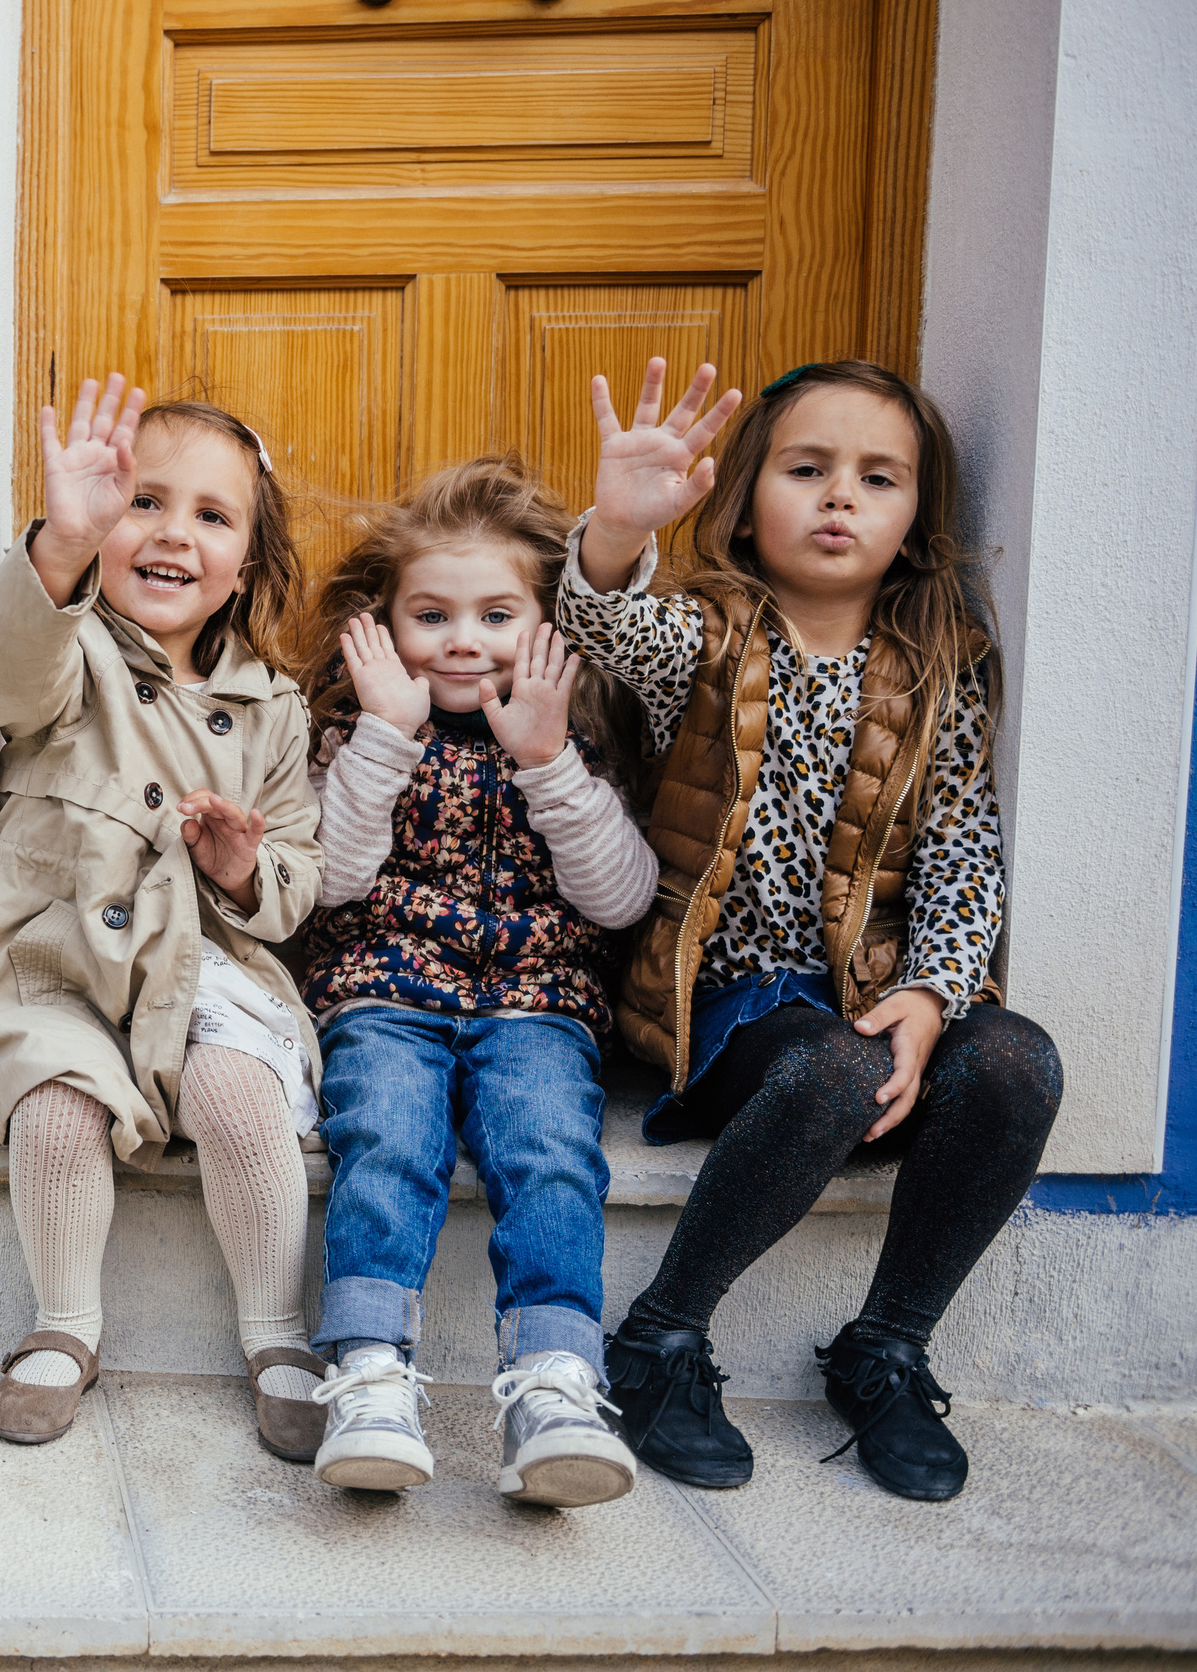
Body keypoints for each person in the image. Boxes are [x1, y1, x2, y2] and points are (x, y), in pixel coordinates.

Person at [563, 358, 1062, 1503]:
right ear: (743, 503)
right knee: (829, 1066)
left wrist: (935, 994)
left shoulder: (941, 666)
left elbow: (960, 849)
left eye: (875, 478)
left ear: (913, 519)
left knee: (1018, 1060)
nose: (840, 497)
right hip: (726, 998)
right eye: (807, 469)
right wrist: (614, 530)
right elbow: (605, 626)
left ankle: (886, 1344)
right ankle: (658, 1335)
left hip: (872, 998)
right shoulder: (707, 631)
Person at [0, 374, 326, 1456]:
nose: (171, 533)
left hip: (203, 975)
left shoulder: (271, 706)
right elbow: (2, 671)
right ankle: (63, 1324)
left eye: (211, 516)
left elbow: (298, 875)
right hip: (58, 969)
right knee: (54, 1103)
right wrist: (59, 545)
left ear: (243, 564)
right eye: (143, 502)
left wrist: (246, 870)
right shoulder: (73, 658)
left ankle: (277, 1331)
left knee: (242, 1098)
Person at [293, 458, 656, 1507]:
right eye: (431, 614)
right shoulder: (359, 736)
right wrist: (382, 734)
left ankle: (553, 1382)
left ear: (545, 628)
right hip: (387, 988)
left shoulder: (573, 742)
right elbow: (334, 877)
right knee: (389, 1135)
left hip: (536, 1001)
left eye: (497, 613)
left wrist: (547, 763)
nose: (462, 638)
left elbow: (621, 898)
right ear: (386, 628)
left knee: (547, 1149)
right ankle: (366, 1370)